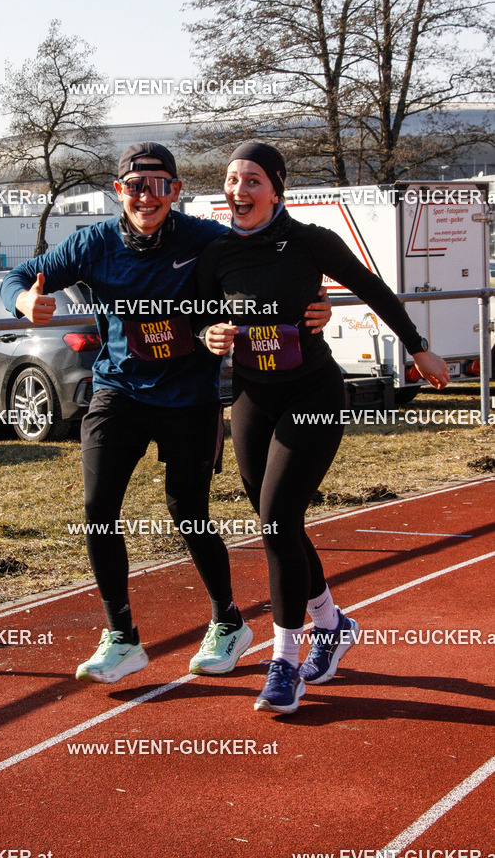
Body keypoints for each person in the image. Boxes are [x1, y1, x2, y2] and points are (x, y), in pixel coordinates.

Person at [1, 142, 332, 685]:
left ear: (175, 191)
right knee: (98, 507)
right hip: (119, 392)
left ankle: (228, 622)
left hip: (188, 397)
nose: (146, 197)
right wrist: (23, 303)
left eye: (159, 186)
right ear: (119, 191)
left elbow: (270, 261)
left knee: (188, 512)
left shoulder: (204, 238)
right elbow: (18, 277)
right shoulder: (92, 243)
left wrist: (311, 302)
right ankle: (121, 637)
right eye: (135, 186)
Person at [196, 141, 450, 714]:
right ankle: (332, 625)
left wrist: (419, 348)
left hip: (311, 394)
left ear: (276, 189)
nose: (239, 190)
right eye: (232, 180)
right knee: (278, 523)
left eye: (253, 180)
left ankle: (286, 662)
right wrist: (206, 333)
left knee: (276, 521)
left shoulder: (311, 241)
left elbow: (372, 288)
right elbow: (198, 313)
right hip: (250, 397)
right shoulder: (216, 251)